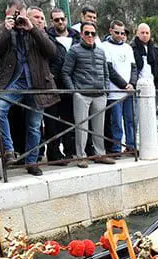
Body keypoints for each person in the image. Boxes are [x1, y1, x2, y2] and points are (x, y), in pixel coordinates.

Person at [0, 0, 59, 176]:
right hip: (13, 82)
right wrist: (7, 29)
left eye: (22, 14)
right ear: (7, 13)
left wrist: (32, 29)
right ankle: (8, 151)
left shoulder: (37, 31)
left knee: (34, 125)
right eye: (15, 14)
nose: (19, 18)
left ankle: (32, 161)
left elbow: (52, 52)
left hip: (37, 83)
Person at [62, 21, 115, 168]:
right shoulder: (74, 51)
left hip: (99, 95)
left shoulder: (101, 51)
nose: (90, 36)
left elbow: (106, 72)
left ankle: (100, 154)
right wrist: (75, 92)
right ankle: (81, 156)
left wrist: (104, 90)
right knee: (82, 127)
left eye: (93, 33)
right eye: (87, 33)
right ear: (81, 34)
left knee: (99, 127)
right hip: (82, 95)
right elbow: (66, 72)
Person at [45, 7, 78, 163]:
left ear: (66, 19)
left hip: (71, 83)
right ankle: (54, 152)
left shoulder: (76, 37)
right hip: (53, 83)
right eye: (56, 19)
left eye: (62, 19)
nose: (60, 22)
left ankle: (70, 150)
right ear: (52, 21)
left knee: (69, 118)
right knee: (52, 120)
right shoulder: (47, 37)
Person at [101, 20, 136, 153]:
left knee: (130, 121)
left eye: (122, 33)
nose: (120, 35)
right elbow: (109, 70)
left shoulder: (128, 47)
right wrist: (124, 85)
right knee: (116, 122)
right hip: (115, 92)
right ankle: (116, 148)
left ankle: (131, 146)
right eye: (117, 32)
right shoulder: (104, 46)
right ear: (111, 31)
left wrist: (132, 84)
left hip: (129, 92)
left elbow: (134, 68)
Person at [132, 22, 158, 92]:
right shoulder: (131, 48)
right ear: (137, 33)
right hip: (137, 86)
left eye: (147, 33)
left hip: (154, 86)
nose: (145, 35)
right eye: (142, 32)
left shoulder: (156, 50)